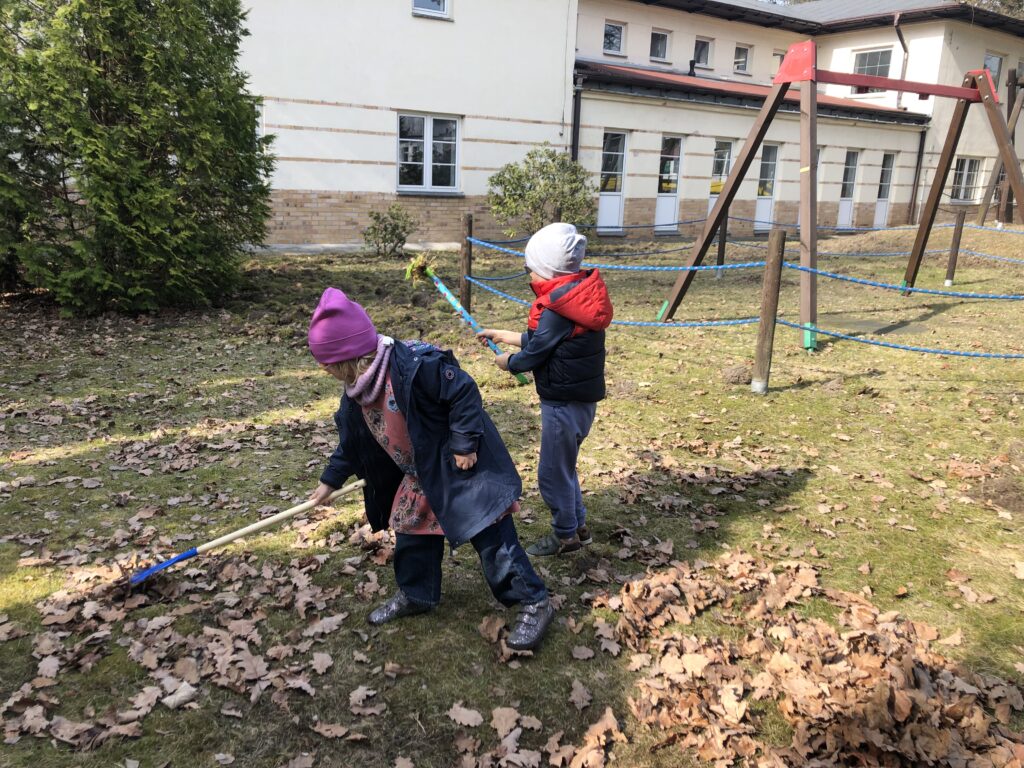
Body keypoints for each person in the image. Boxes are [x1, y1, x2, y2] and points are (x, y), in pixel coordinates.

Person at [307, 287, 554, 651]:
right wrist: (329, 481)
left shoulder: (416, 368)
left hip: (462, 467)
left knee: (493, 540)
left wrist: (465, 443)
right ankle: (417, 594)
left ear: (349, 355)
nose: (322, 368)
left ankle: (534, 601)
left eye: (326, 361)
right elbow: (354, 445)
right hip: (421, 473)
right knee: (410, 529)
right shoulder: (356, 390)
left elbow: (464, 393)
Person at [478, 222, 612, 557]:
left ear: (547, 273)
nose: (529, 278)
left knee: (551, 474)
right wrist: (506, 335)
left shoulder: (555, 309)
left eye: (531, 271)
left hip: (562, 404)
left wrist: (508, 362)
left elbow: (537, 351)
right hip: (581, 402)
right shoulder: (577, 298)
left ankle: (565, 536)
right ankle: (578, 526)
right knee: (565, 468)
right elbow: (552, 341)